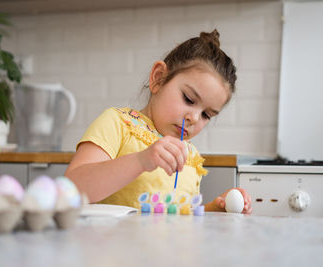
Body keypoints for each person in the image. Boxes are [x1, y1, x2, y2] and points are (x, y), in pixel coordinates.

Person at [65, 29, 252, 214]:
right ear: (158, 78)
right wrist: (140, 160)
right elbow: (72, 190)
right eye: (188, 99)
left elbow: (178, 214)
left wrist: (215, 208)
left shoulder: (190, 156)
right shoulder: (119, 124)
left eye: (206, 115)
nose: (194, 118)